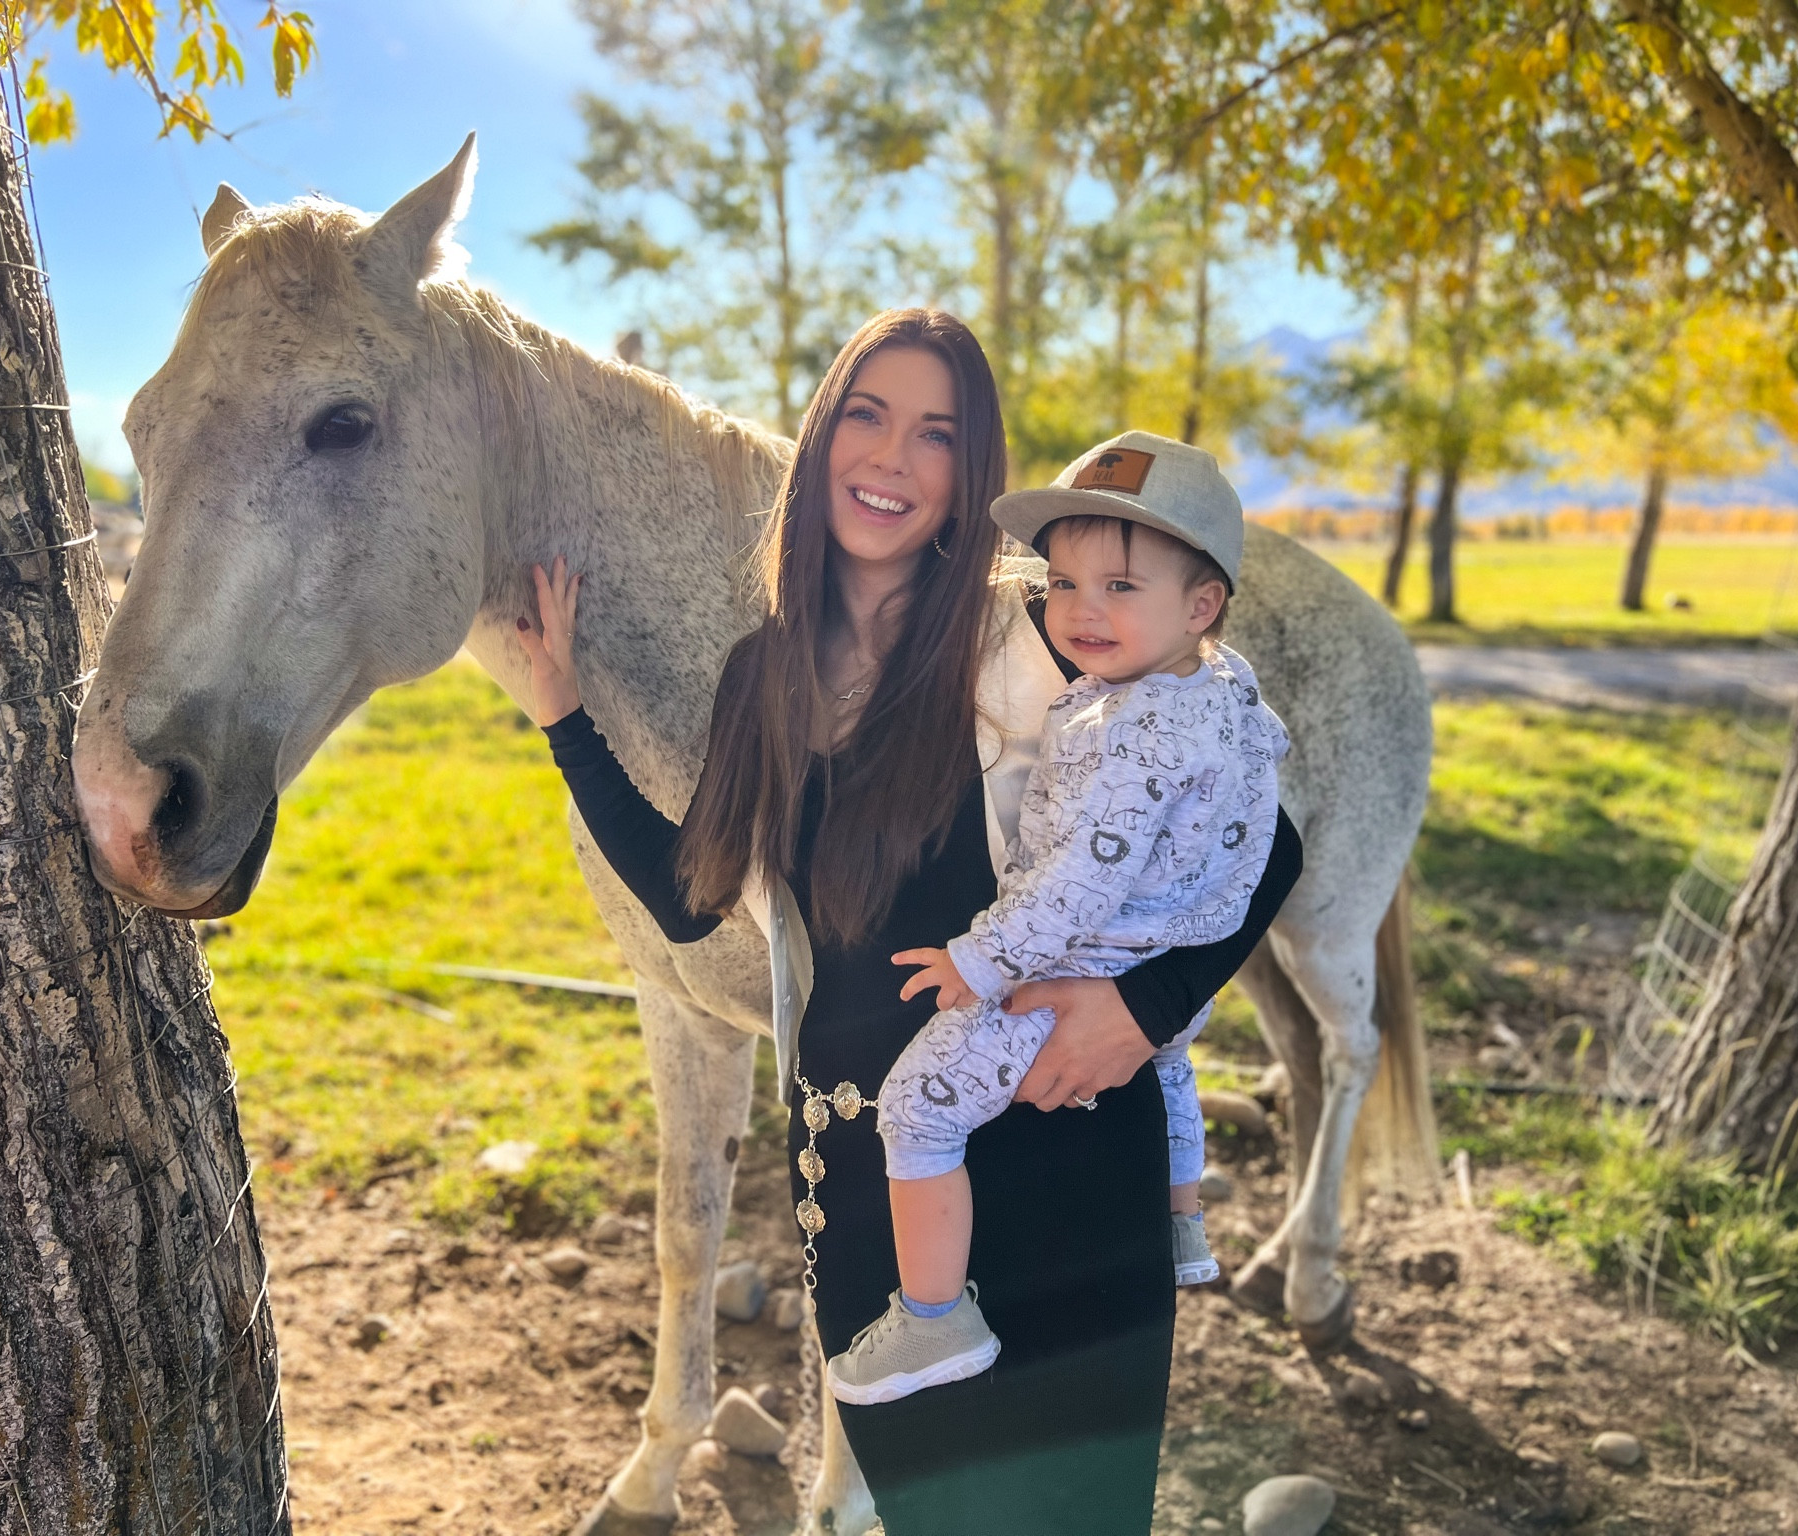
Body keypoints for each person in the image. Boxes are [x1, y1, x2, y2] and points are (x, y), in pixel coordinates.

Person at [516, 309, 1302, 1535]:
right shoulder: (761, 673)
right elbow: (684, 897)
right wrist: (561, 710)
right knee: (930, 1512)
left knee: (1062, 1514)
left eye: (936, 435)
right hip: (869, 1173)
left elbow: (1265, 833)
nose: (892, 459)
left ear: (969, 476)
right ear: (823, 436)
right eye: (868, 417)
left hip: (1056, 1126)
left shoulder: (1033, 631)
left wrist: (1139, 1010)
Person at [826, 432, 1292, 1408]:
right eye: (1065, 582)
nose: (1082, 609)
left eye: (1120, 587)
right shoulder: (1219, 691)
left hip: (1072, 967)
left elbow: (1081, 881)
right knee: (1171, 1070)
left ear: (1198, 604)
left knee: (915, 1104)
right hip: (1171, 949)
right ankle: (1179, 1222)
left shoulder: (1134, 729)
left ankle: (932, 1317)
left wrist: (981, 961)